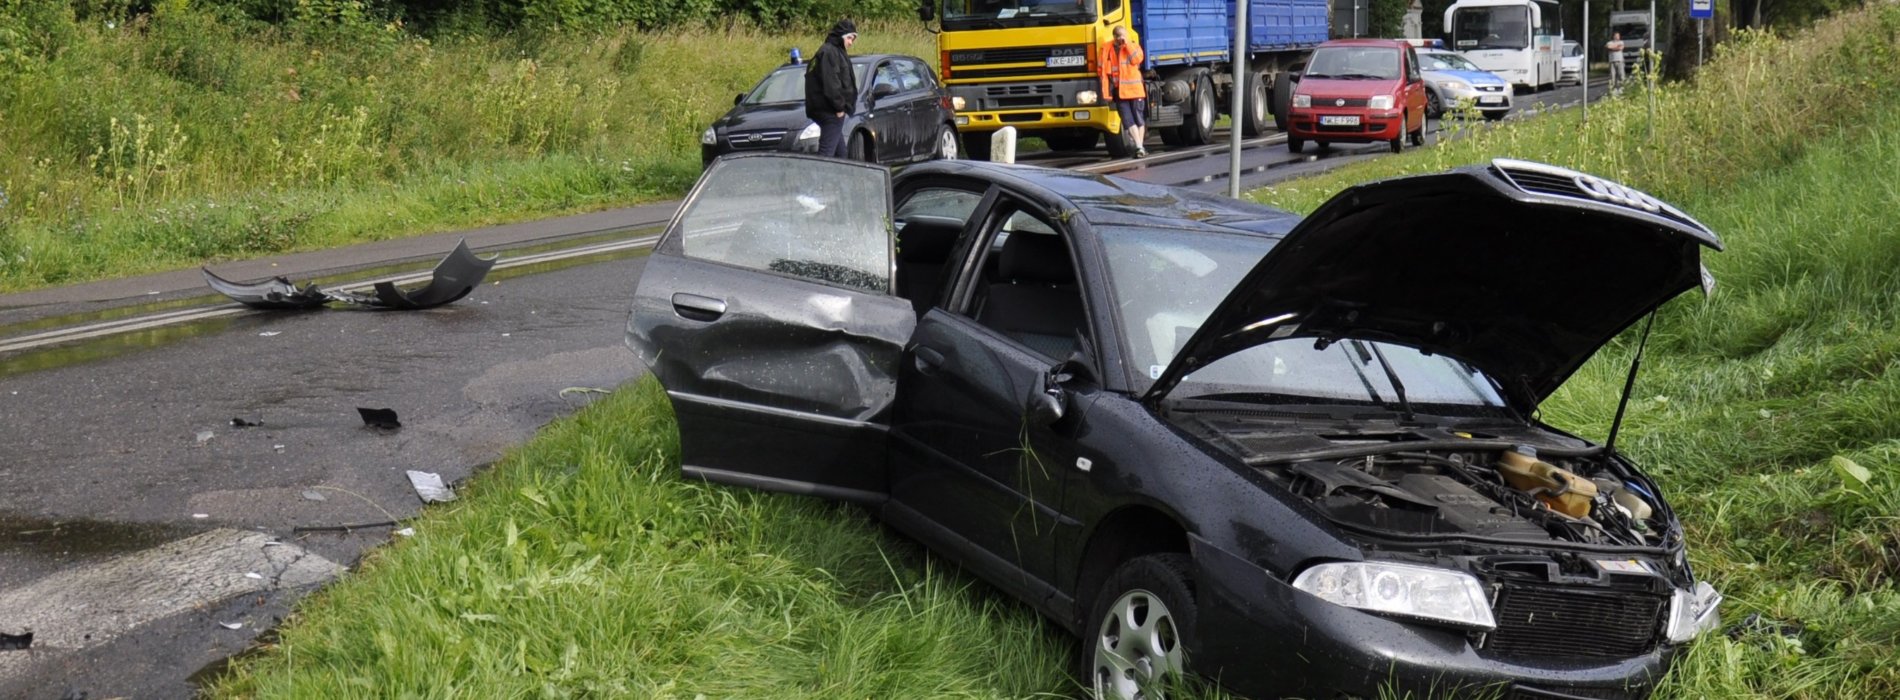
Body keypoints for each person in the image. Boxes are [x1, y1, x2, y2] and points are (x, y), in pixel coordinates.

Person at [805, 19, 859, 159]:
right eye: (849, 38)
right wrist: (839, 108)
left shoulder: (833, 51)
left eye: (853, 39)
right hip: (830, 111)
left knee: (841, 155)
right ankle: (819, 180)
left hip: (828, 110)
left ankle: (844, 179)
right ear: (841, 36)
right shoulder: (829, 52)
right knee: (826, 155)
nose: (851, 43)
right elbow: (831, 83)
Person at [1098, 25, 1148, 158]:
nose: (1120, 38)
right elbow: (1101, 68)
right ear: (1114, 37)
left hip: (1135, 91)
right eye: (1118, 36)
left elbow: (1137, 60)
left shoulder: (1134, 46)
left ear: (1126, 35)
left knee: (1139, 120)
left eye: (1122, 35)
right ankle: (1139, 146)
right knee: (1127, 121)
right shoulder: (1107, 49)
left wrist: (1127, 45)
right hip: (1119, 91)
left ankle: (1139, 146)